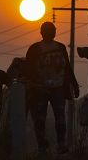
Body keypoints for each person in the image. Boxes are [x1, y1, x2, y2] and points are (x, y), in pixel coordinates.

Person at [25, 22, 80, 154]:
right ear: (42, 32)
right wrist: (33, 85)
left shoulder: (60, 47)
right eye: (48, 30)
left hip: (58, 88)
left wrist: (74, 84)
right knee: (40, 119)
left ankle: (61, 144)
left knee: (60, 117)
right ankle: (41, 145)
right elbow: (28, 70)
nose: (50, 33)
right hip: (40, 89)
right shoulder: (34, 49)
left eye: (52, 30)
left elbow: (67, 67)